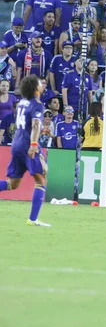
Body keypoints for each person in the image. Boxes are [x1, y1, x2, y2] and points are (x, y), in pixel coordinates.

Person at [0, 75, 51, 226]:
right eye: (39, 83)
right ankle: (33, 219)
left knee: (13, 183)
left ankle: (33, 219)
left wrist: (40, 131)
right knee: (41, 180)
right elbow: (35, 124)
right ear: (36, 88)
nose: (42, 85)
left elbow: (28, 124)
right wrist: (34, 143)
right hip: (28, 144)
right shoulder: (37, 104)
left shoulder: (22, 102)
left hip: (16, 143)